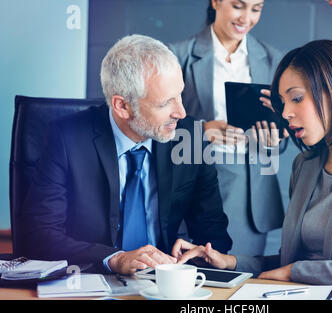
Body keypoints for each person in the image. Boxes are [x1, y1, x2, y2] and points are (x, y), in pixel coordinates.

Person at [173, 40, 332, 289]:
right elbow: (288, 263)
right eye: (283, 102)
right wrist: (229, 262)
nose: (285, 113)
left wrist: (295, 271)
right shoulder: (304, 165)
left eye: (297, 98)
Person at [20, 34, 232, 275]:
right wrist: (115, 259)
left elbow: (215, 234)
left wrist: (200, 255)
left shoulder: (191, 138)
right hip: (93, 281)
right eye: (166, 103)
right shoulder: (67, 139)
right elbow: (37, 235)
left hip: (165, 284)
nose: (181, 112)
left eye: (180, 95)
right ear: (122, 106)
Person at [168, 0, 290, 256]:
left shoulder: (273, 59)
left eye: (256, 9)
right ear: (216, 2)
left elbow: (286, 126)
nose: (246, 18)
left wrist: (275, 138)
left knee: (239, 276)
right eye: (238, 6)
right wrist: (200, 132)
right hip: (196, 180)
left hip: (251, 191)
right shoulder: (177, 55)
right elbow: (155, 128)